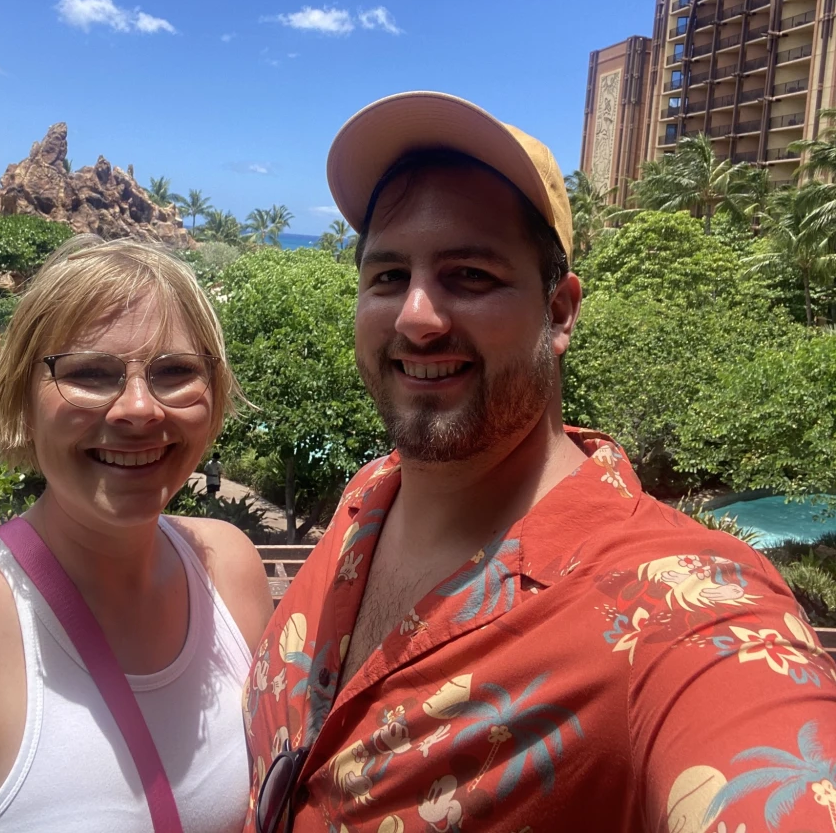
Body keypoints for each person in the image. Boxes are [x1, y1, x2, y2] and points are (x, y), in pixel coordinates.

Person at [244, 91, 836, 833]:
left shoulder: (677, 608)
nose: (417, 317)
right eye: (389, 276)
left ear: (559, 313)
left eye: (470, 276)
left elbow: (775, 763)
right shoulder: (367, 496)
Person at [0, 236, 273, 833]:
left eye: (176, 371)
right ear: (23, 399)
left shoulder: (228, 567)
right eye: (90, 372)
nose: (139, 409)